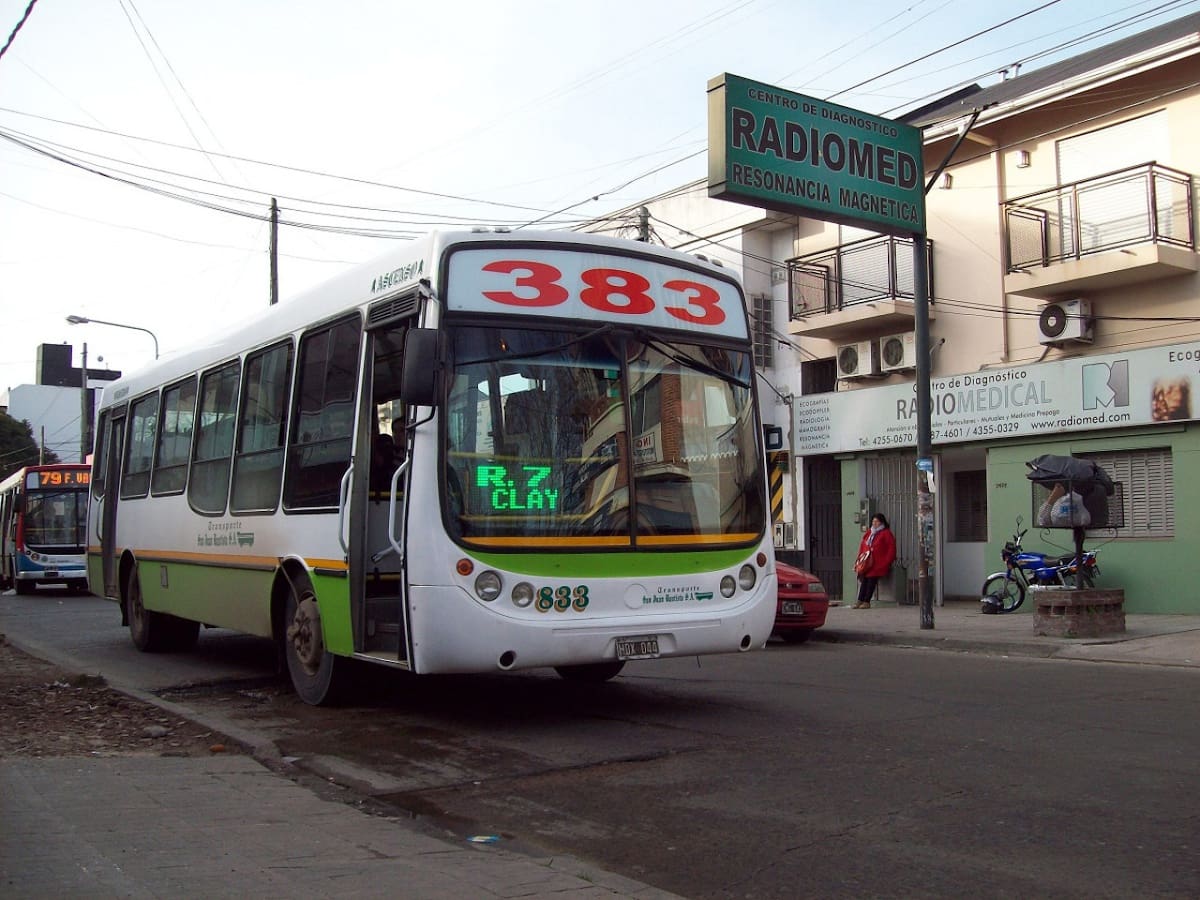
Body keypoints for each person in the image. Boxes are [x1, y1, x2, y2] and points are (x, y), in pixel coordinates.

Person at [852, 513, 897, 609]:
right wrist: (860, 558)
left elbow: (891, 548)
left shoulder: (886, 533)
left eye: (877, 521)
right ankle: (860, 600)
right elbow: (863, 545)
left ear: (882, 522)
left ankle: (866, 601)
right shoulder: (870, 532)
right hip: (867, 561)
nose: (874, 523)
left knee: (871, 580)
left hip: (878, 563)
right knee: (864, 580)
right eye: (873, 521)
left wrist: (887, 561)